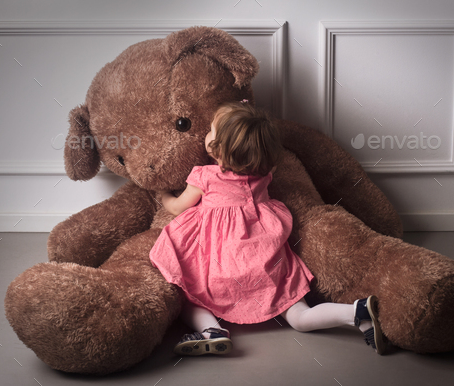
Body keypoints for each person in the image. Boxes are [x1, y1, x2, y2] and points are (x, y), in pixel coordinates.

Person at [149, 99, 388, 356]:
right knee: (299, 317)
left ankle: (211, 330)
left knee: (189, 292)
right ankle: (356, 312)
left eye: (211, 131)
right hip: (264, 261)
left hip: (220, 262)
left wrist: (162, 194)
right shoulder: (263, 175)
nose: (206, 135)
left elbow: (177, 207)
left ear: (218, 149)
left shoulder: (205, 176)